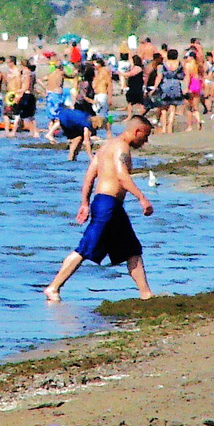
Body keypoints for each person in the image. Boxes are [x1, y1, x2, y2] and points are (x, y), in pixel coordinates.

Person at [45, 115, 156, 301]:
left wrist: (85, 203)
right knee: (85, 247)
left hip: (108, 205)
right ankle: (53, 287)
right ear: (137, 131)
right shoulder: (121, 147)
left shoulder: (105, 147)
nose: (145, 141)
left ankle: (146, 293)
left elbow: (90, 175)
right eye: (145, 136)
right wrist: (142, 198)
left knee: (132, 249)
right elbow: (122, 176)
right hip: (107, 206)